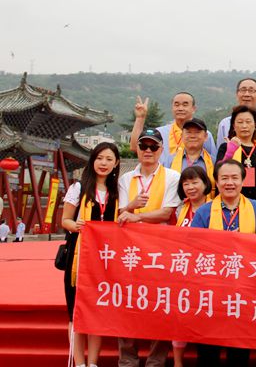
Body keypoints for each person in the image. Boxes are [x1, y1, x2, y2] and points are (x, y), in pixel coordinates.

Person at [191, 159, 256, 366]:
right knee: (208, 350)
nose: (230, 183)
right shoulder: (204, 212)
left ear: (243, 181)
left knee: (239, 349)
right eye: (224, 178)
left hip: (244, 290)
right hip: (212, 290)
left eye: (235, 178)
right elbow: (194, 249)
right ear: (216, 182)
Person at [116, 129, 179, 367]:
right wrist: (132, 209)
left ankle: (156, 360)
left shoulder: (172, 176)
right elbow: (122, 212)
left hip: (160, 250)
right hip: (130, 250)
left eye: (154, 147)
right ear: (138, 150)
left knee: (159, 303)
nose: (148, 151)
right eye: (144, 146)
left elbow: (167, 212)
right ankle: (127, 359)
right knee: (127, 302)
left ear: (161, 150)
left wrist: (137, 216)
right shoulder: (126, 179)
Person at [61, 142, 120, 367]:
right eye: (99, 158)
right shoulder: (78, 188)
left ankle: (93, 362)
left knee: (97, 312)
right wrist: (76, 226)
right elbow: (65, 220)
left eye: (109, 159)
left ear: (116, 163)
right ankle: (79, 362)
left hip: (105, 259)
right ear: (92, 160)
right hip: (79, 257)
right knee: (76, 312)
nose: (103, 163)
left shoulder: (117, 191)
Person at [172, 165, 212, 367]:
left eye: (195, 182)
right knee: (181, 317)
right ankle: (178, 362)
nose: (190, 187)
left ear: (205, 184)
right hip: (183, 271)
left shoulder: (215, 207)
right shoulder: (179, 209)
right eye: (186, 184)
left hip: (207, 272)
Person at [129, 92, 216, 165]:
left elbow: (212, 161)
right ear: (172, 108)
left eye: (185, 105)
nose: (180, 108)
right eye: (176, 105)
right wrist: (140, 118)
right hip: (163, 178)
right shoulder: (159, 133)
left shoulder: (203, 135)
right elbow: (135, 147)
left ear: (193, 109)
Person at [215, 105, 256, 206]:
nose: (244, 126)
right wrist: (231, 151)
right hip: (232, 205)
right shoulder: (225, 147)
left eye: (248, 122)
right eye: (240, 122)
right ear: (234, 126)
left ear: (255, 125)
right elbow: (218, 174)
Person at [215, 77, 256, 160]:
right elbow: (220, 155)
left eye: (251, 90)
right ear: (237, 94)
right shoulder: (225, 124)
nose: (247, 94)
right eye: (243, 90)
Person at [168, 117, 215, 187]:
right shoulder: (169, 161)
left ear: (205, 136)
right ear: (182, 136)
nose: (192, 136)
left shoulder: (213, 162)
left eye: (197, 132)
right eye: (188, 132)